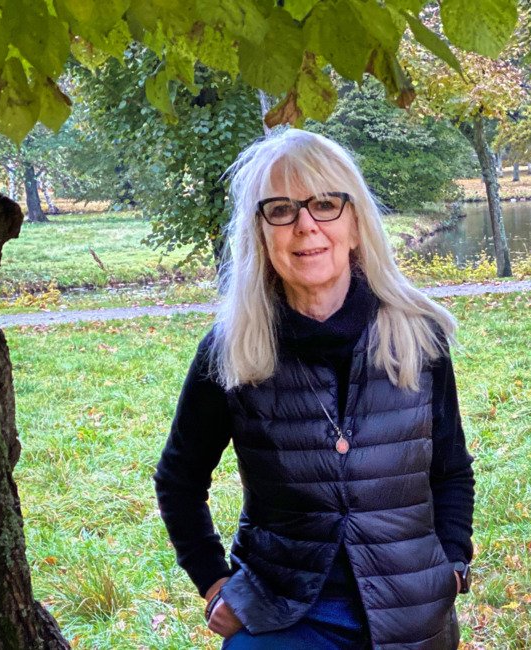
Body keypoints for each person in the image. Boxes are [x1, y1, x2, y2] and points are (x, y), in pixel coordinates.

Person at [154, 129, 475, 649]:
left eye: (325, 204)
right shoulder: (231, 352)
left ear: (354, 223)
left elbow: (451, 469)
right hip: (281, 611)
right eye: (280, 210)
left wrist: (452, 566)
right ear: (260, 233)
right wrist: (214, 584)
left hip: (410, 615)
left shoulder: (419, 337)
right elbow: (179, 480)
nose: (306, 226)